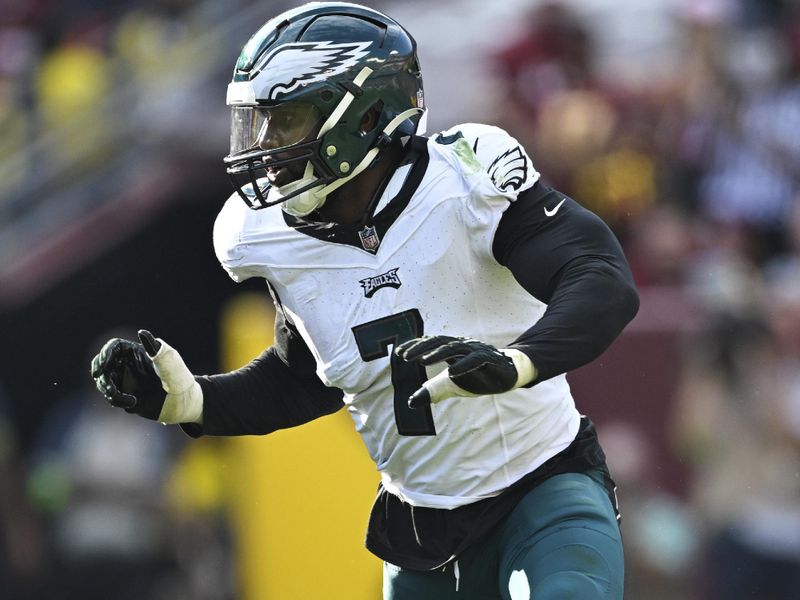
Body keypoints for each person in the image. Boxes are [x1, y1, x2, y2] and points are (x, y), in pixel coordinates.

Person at [90, 3, 639, 599]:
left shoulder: (465, 180)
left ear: (364, 115)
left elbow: (600, 277)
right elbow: (310, 377)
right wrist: (196, 402)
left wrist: (518, 362)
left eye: (288, 120)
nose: (267, 147)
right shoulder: (268, 237)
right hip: (422, 536)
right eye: (261, 124)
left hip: (542, 489)